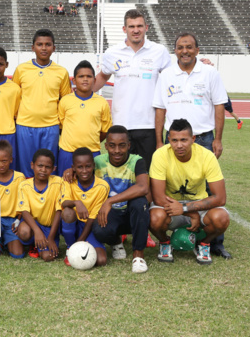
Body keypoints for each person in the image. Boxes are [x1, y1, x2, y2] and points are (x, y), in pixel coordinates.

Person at [153, 32, 230, 258]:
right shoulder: (166, 75)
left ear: (197, 50)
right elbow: (160, 108)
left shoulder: (210, 73)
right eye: (180, 47)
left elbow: (218, 105)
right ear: (174, 51)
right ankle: (177, 230)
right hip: (173, 137)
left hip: (203, 137)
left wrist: (218, 138)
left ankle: (213, 243)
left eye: (189, 47)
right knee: (172, 185)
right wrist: (159, 140)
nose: (184, 51)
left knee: (207, 191)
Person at [94, 9, 172, 171]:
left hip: (149, 125)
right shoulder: (112, 53)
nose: (136, 30)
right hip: (121, 125)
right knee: (121, 173)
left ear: (146, 27)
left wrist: (199, 64)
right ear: (124, 29)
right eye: (131, 26)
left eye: (139, 26)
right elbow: (102, 76)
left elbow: (173, 76)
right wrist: (82, 94)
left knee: (148, 172)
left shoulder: (159, 51)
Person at [149, 119, 230, 265]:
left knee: (221, 218)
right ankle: (165, 242)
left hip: (198, 203)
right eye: (174, 140)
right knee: (154, 218)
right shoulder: (160, 155)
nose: (179, 145)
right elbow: (158, 197)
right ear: (169, 140)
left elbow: (220, 198)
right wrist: (188, 213)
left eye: (184, 140)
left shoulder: (207, 156)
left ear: (193, 139)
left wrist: (186, 208)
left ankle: (203, 244)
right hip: (171, 205)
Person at [90, 126, 151, 273]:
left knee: (140, 203)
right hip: (112, 214)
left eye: (122, 145)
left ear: (128, 145)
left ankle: (138, 255)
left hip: (131, 213)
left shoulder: (137, 161)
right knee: (99, 231)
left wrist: (110, 201)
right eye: (112, 145)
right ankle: (116, 241)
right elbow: (82, 170)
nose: (117, 150)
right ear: (106, 146)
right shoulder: (97, 161)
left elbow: (143, 187)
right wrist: (70, 170)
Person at [12, 29, 72, 177]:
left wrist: (62, 126)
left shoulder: (61, 72)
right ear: (33, 47)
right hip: (25, 125)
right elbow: (14, 97)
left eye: (48, 44)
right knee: (26, 167)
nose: (44, 48)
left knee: (48, 167)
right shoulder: (21, 69)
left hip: (50, 127)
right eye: (40, 44)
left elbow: (66, 101)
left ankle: (48, 198)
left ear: (54, 48)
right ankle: (26, 197)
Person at [57, 60, 111, 176]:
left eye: (89, 76)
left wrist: (91, 142)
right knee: (65, 186)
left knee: (90, 187)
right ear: (74, 80)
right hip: (67, 152)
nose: (85, 79)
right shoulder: (65, 101)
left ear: (94, 80)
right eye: (81, 76)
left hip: (92, 153)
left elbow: (105, 131)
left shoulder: (102, 102)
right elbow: (61, 127)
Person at [61, 148, 109, 268]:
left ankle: (75, 246)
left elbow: (92, 218)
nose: (84, 171)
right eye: (79, 167)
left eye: (88, 166)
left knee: (101, 260)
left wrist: (80, 243)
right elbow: (64, 203)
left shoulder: (102, 186)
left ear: (93, 165)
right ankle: (69, 247)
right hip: (73, 223)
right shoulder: (68, 181)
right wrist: (77, 202)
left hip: (89, 226)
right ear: (73, 168)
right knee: (67, 212)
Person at [15, 149, 64, 262]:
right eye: (40, 166)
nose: (43, 170)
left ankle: (41, 245)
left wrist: (51, 237)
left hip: (49, 227)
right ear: (32, 165)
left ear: (53, 169)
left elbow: (59, 211)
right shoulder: (24, 185)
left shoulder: (59, 183)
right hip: (33, 225)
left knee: (48, 257)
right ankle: (33, 243)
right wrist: (37, 231)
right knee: (24, 232)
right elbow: (24, 211)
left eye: (47, 167)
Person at [0, 140, 26, 258]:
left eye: (4, 161)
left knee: (18, 254)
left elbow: (24, 202)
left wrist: (19, 220)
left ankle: (7, 239)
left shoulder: (19, 178)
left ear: (11, 159)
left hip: (13, 221)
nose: (1, 165)